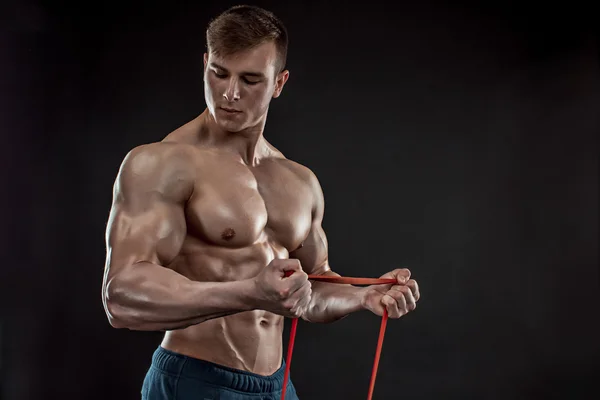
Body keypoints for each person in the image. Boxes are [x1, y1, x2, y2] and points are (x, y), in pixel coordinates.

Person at [101, 5, 420, 400]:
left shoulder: (299, 181)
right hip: (195, 382)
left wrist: (363, 297)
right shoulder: (161, 163)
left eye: (250, 80)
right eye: (219, 73)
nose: (230, 93)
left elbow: (309, 290)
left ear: (279, 83)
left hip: (277, 386)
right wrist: (250, 292)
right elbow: (121, 296)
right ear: (205, 64)